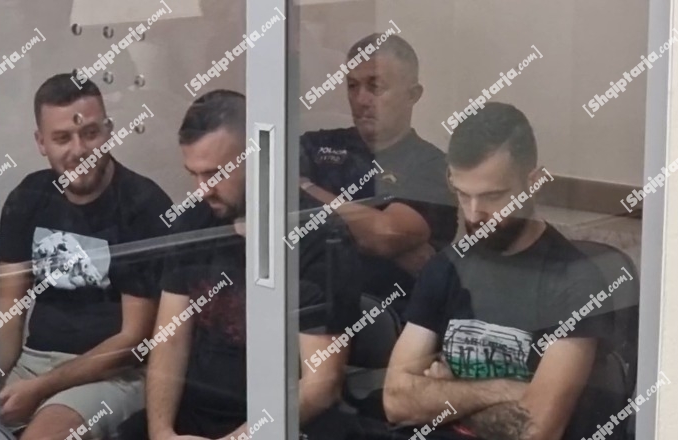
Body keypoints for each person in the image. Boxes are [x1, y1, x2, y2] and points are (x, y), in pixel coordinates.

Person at [0, 74, 197, 439]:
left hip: (113, 374)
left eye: (90, 133)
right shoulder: (28, 197)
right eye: (62, 138)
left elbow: (132, 339)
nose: (79, 149)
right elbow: (9, 318)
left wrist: (41, 388)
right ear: (41, 142)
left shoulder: (142, 204)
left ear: (108, 131)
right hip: (32, 362)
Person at [382, 103, 623, 440]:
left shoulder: (577, 282)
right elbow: (396, 401)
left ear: (534, 183)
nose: (474, 213)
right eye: (463, 194)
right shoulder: (446, 267)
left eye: (493, 196)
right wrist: (505, 390)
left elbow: (536, 430)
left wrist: (447, 392)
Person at [138, 90, 361, 440]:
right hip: (194, 418)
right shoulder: (193, 223)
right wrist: (162, 432)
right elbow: (170, 341)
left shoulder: (318, 236)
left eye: (214, 174)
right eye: (193, 174)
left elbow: (321, 384)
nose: (202, 189)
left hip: (281, 423)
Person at [299, 34, 457, 317]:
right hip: (307, 311)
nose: (361, 99)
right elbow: (262, 204)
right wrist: (365, 231)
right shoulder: (315, 145)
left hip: (390, 320)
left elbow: (383, 236)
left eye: (376, 87)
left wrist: (305, 188)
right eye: (353, 86)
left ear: (413, 95)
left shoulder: (431, 165)